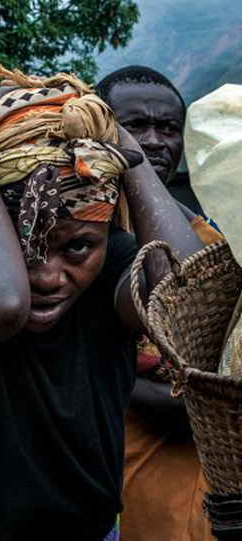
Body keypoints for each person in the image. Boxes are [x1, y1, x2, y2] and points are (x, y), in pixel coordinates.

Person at [0, 69, 204, 540]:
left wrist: (126, 151)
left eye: (76, 248)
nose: (48, 277)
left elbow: (190, 306)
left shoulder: (112, 276)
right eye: (22, 245)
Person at [98, 66, 220, 541]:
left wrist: (105, 369)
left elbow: (209, 386)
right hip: (111, 485)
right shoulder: (76, 246)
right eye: (134, 127)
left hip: (199, 493)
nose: (153, 141)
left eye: (168, 128)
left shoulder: (208, 241)